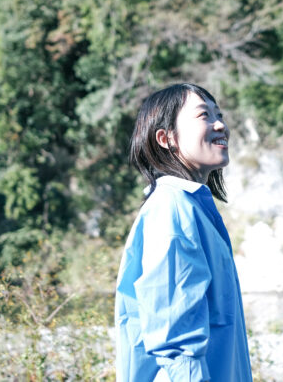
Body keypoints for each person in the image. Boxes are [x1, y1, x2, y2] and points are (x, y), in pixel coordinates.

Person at [115, 83, 253, 382]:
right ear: (166, 139)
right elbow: (175, 337)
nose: (221, 125)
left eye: (219, 115)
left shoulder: (191, 207)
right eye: (204, 115)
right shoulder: (173, 208)